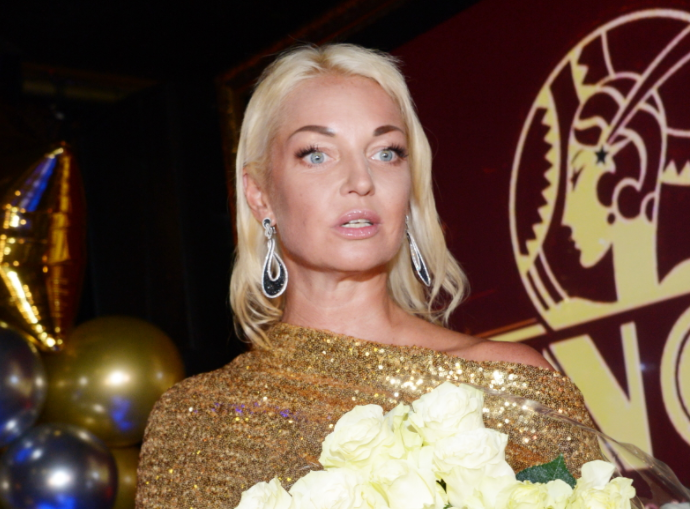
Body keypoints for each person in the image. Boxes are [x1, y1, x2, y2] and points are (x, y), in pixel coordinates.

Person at [135, 44, 600, 509]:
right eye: (317, 155)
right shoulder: (193, 421)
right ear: (260, 195)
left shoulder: (511, 385)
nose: (361, 180)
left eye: (386, 153)